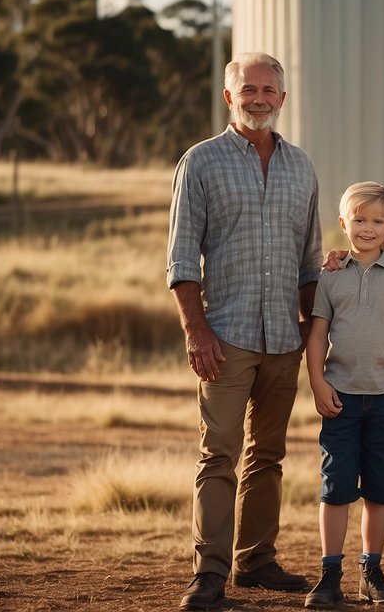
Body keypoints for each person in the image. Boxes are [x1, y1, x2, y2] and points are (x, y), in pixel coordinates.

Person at [166, 52, 323, 611]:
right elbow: (182, 260)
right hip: (226, 337)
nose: (259, 98)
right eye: (247, 89)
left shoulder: (301, 166)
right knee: (218, 456)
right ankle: (208, 574)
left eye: (269, 90)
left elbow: (309, 264)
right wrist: (196, 331)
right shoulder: (200, 163)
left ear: (282, 98)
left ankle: (255, 560)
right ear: (229, 97)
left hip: (285, 337)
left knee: (269, 455)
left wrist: (316, 336)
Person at [303, 182, 384, 609]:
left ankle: (371, 571)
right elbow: (318, 333)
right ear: (344, 223)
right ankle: (330, 574)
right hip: (339, 398)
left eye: (378, 221)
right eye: (359, 219)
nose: (368, 228)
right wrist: (318, 382)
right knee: (335, 488)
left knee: (379, 490)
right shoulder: (331, 276)